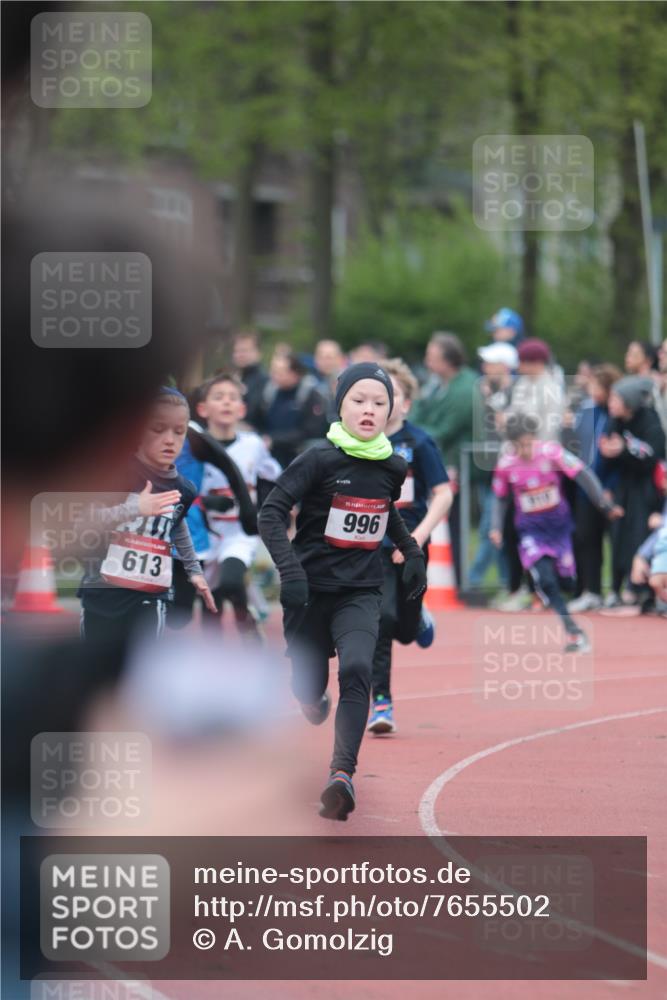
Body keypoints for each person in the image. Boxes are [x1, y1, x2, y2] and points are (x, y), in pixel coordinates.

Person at [258, 362, 426, 820]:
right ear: (340, 406)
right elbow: (270, 514)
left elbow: (384, 508)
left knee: (356, 669)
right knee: (307, 684)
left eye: (379, 402)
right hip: (308, 591)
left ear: (391, 410)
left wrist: (411, 551)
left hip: (361, 590)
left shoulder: (393, 465)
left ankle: (341, 777)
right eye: (359, 400)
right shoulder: (317, 459)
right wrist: (290, 573)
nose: (369, 410)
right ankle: (310, 698)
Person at [78, 388, 217, 644]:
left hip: (150, 594)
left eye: (179, 431)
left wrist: (193, 570)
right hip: (102, 592)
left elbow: (177, 525)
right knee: (95, 674)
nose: (169, 440)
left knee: (138, 672)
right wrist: (135, 508)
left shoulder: (184, 489)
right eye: (158, 429)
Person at [367, 359, 452, 735]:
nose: (384, 402)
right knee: (381, 619)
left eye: (393, 395)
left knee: (403, 626)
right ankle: (381, 701)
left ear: (406, 404)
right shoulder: (360, 443)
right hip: (372, 545)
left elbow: (443, 494)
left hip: (412, 542)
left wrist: (416, 538)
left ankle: (418, 618)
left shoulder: (418, 442)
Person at [489, 414, 622, 652]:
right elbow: (499, 499)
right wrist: (496, 527)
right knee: (547, 581)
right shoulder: (506, 465)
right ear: (511, 444)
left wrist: (603, 504)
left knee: (567, 583)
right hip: (531, 532)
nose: (525, 450)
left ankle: (567, 591)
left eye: (528, 443)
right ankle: (572, 630)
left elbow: (583, 474)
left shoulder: (552, 453)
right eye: (519, 446)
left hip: (560, 530)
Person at [175, 373, 281, 639]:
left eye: (233, 398)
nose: (226, 403)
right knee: (212, 606)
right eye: (218, 397)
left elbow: (276, 476)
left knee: (232, 581)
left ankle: (247, 624)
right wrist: (206, 501)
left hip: (239, 534)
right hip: (205, 536)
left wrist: (276, 508)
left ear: (242, 409)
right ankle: (220, 655)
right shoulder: (193, 447)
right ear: (202, 408)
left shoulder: (253, 445)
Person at [410, 332, 478, 586]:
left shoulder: (464, 388)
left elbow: (446, 429)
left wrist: (414, 432)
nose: (427, 362)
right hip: (438, 461)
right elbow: (417, 412)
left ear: (447, 360)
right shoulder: (435, 384)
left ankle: (461, 581)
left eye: (432, 357)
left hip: (457, 466)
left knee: (458, 524)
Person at [598, 375, 666, 607]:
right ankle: (616, 587)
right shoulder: (615, 421)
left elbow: (652, 456)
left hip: (646, 488)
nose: (612, 403)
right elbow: (609, 457)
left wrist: (625, 450)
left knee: (641, 534)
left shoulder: (650, 421)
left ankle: (642, 591)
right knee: (618, 535)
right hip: (624, 486)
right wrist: (609, 454)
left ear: (629, 400)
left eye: (616, 399)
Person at [562, 364, 621, 612]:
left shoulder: (617, 414)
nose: (591, 390)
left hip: (609, 490)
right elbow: (576, 447)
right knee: (586, 538)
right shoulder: (586, 410)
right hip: (585, 488)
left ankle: (618, 590)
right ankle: (591, 590)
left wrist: (610, 487)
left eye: (596, 386)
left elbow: (616, 457)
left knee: (616, 539)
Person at [468, 342, 518, 592]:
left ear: (504, 366)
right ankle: (507, 583)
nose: (485, 367)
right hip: (489, 471)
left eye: (490, 363)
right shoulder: (490, 393)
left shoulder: (516, 394)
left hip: (509, 473)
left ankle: (473, 580)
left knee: (492, 526)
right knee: (496, 528)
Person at [255, 350, 328, 468]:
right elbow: (259, 421)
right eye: (273, 371)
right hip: (270, 460)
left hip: (299, 459)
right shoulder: (269, 393)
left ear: (295, 373)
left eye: (279, 372)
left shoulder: (310, 395)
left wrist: (274, 440)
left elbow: (309, 431)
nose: (274, 375)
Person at [501, 338, 564, 442]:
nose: (518, 366)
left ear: (537, 363)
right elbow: (514, 411)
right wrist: (504, 419)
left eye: (522, 361)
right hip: (518, 449)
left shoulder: (552, 389)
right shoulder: (522, 382)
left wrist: (531, 451)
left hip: (541, 452)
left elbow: (548, 430)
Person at [232, 329, 269, 430]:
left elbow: (253, 414)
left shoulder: (266, 381)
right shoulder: (234, 378)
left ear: (258, 353)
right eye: (236, 351)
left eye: (244, 351)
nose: (239, 355)